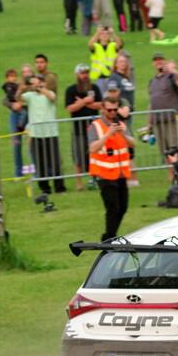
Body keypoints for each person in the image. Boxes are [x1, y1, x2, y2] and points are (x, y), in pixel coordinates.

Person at [88, 96, 133, 241]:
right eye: (109, 110)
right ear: (103, 109)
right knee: (112, 208)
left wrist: (122, 134)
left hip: (120, 173)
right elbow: (93, 148)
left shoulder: (121, 124)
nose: (113, 112)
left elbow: (133, 143)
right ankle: (109, 237)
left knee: (123, 207)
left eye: (115, 109)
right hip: (104, 173)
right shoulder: (95, 126)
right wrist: (108, 134)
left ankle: (109, 235)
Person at [20, 75, 66, 194]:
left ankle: (60, 188)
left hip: (51, 134)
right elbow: (18, 98)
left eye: (40, 82)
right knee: (40, 164)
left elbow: (51, 97)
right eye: (36, 82)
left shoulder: (50, 93)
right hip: (36, 135)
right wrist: (23, 88)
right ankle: (45, 189)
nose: (37, 84)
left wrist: (40, 88)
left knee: (55, 163)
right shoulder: (30, 96)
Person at [66, 64, 103, 191]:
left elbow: (101, 105)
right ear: (77, 74)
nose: (85, 75)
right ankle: (79, 182)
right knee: (78, 155)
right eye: (82, 73)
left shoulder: (95, 88)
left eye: (86, 73)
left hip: (94, 128)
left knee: (95, 154)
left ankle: (94, 179)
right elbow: (70, 108)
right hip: (78, 129)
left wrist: (83, 103)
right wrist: (85, 101)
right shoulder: (71, 90)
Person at [149, 53, 178, 158]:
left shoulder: (171, 76)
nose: (158, 61)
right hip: (157, 121)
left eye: (160, 59)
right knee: (165, 153)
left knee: (175, 149)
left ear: (165, 61)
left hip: (171, 120)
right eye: (156, 60)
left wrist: (175, 71)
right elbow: (152, 103)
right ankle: (171, 175)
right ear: (153, 64)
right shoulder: (152, 81)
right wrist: (150, 123)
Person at [1, 68, 26, 177]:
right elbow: (5, 100)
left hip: (27, 113)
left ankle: (35, 173)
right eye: (10, 76)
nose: (13, 78)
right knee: (16, 144)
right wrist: (12, 105)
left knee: (32, 145)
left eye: (14, 76)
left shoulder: (23, 85)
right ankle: (18, 173)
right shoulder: (10, 86)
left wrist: (21, 103)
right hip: (15, 115)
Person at [108, 52, 136, 119]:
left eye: (125, 61)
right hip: (120, 112)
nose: (123, 63)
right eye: (120, 61)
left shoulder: (128, 77)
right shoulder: (114, 77)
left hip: (129, 110)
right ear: (116, 64)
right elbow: (111, 95)